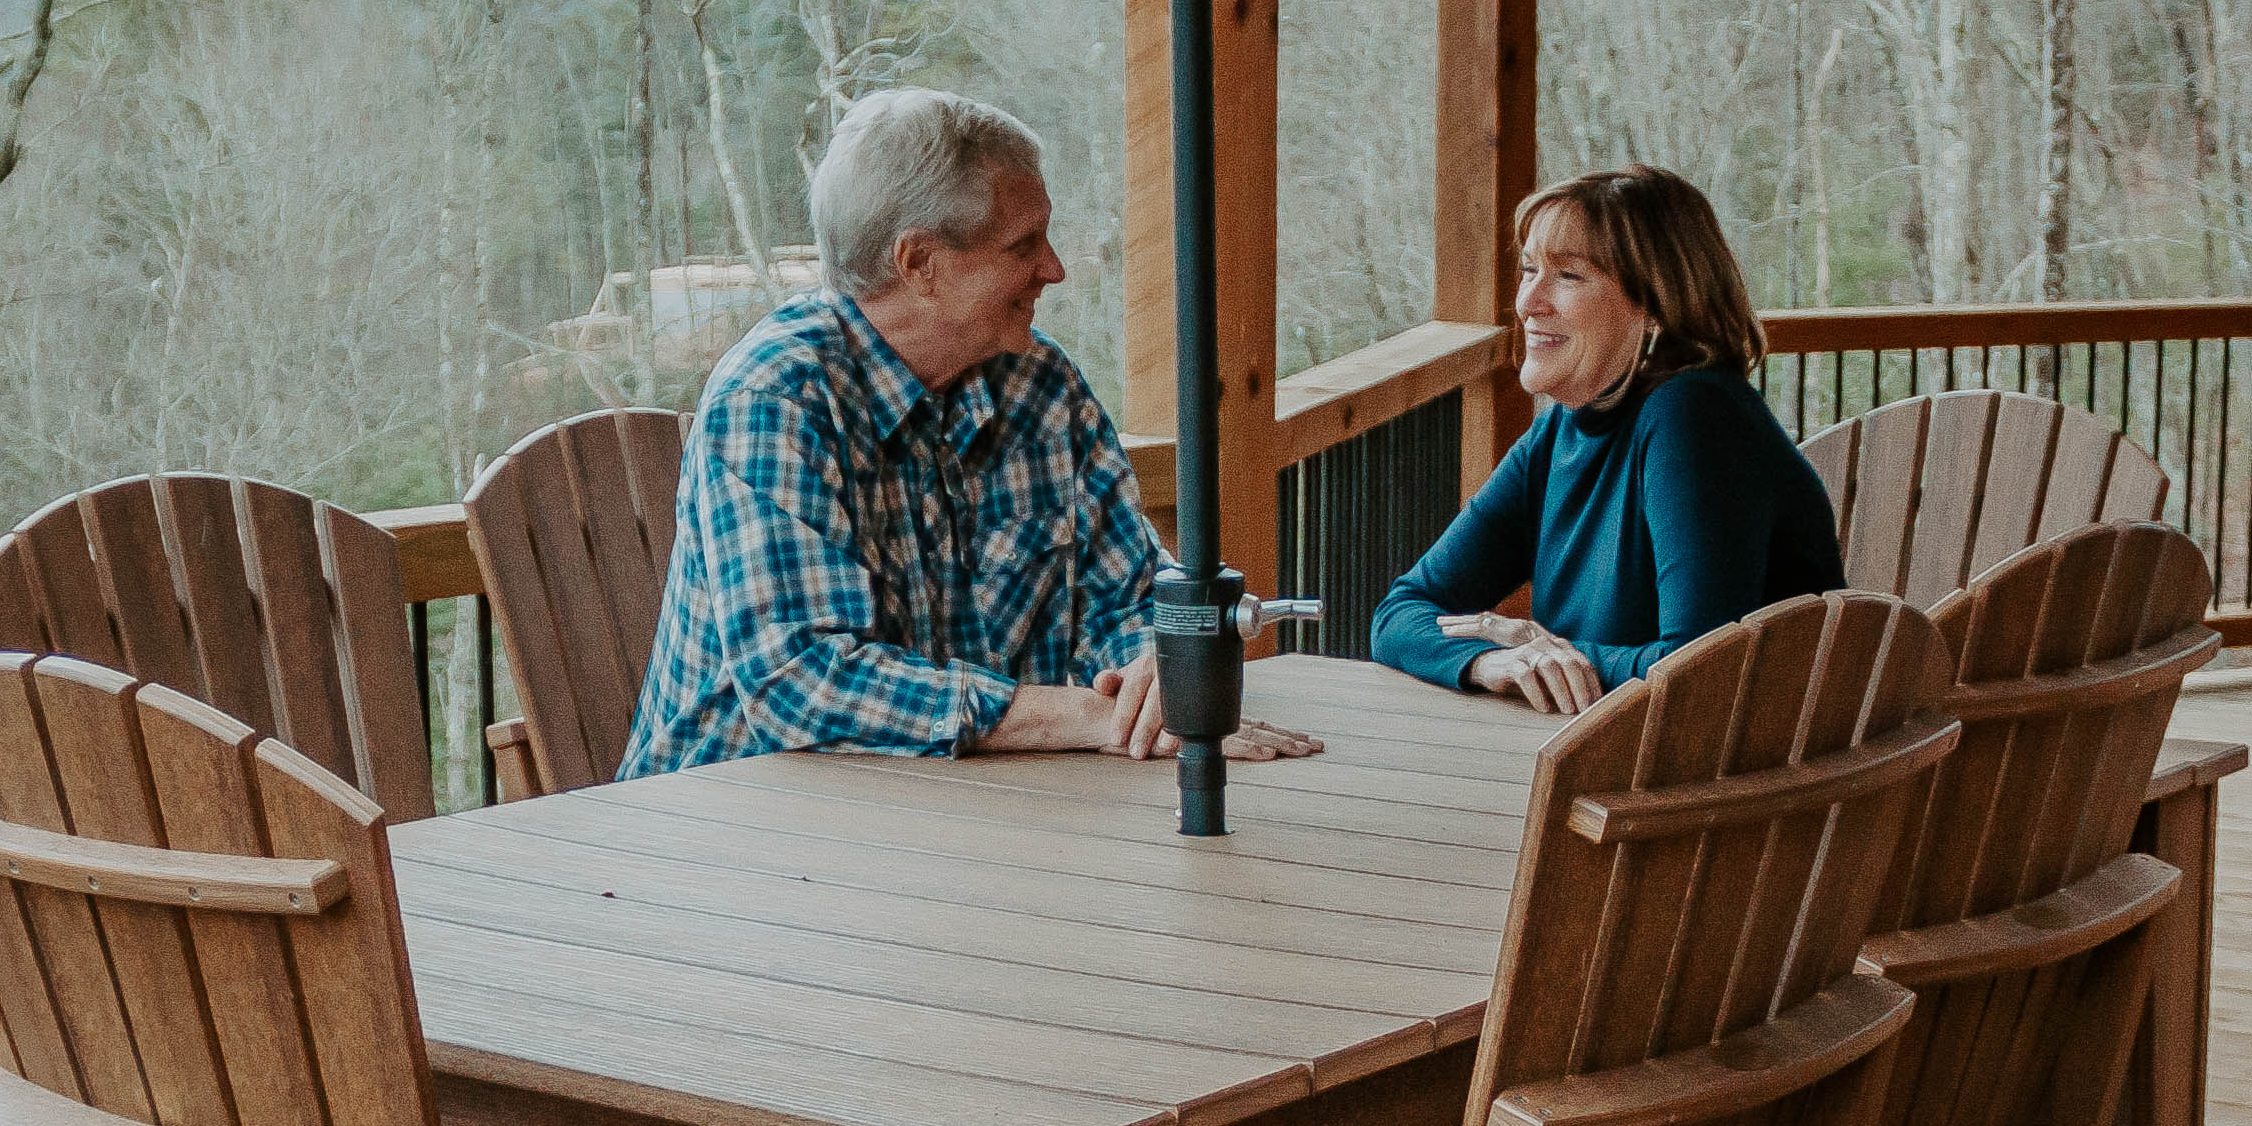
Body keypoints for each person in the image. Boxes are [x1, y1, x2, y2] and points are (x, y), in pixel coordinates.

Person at [620, 87, 1325, 777]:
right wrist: (1086, 717)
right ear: (920, 262)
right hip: (726, 833)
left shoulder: (1042, 387)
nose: (1055, 268)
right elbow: (803, 684)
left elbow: (1131, 596)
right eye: (1023, 245)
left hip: (963, 818)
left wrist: (1153, 676)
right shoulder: (776, 399)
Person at [1370, 166, 1840, 716]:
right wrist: (1491, 661)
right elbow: (1401, 612)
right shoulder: (1559, 431)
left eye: (1567, 276)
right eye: (1528, 271)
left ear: (1656, 305)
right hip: (1617, 756)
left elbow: (1702, 668)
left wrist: (1546, 652)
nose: (1528, 302)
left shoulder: (1695, 415)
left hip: (1742, 778)